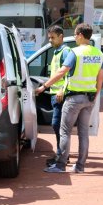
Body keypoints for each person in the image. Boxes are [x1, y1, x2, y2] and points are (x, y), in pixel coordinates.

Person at [37, 23, 103, 173]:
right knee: (83, 133)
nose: (74, 37)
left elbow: (61, 72)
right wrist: (95, 95)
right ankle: (80, 167)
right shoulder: (98, 54)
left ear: (80, 35)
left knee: (65, 131)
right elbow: (100, 78)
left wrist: (44, 86)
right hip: (89, 98)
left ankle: (60, 165)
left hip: (74, 98)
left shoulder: (75, 52)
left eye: (75, 34)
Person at [35, 25, 72, 167]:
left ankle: (61, 155)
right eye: (49, 38)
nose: (50, 41)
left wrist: (63, 89)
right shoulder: (56, 51)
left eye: (53, 38)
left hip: (60, 95)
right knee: (58, 125)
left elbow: (68, 74)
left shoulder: (65, 51)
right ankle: (62, 154)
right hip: (54, 94)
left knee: (58, 125)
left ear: (61, 36)